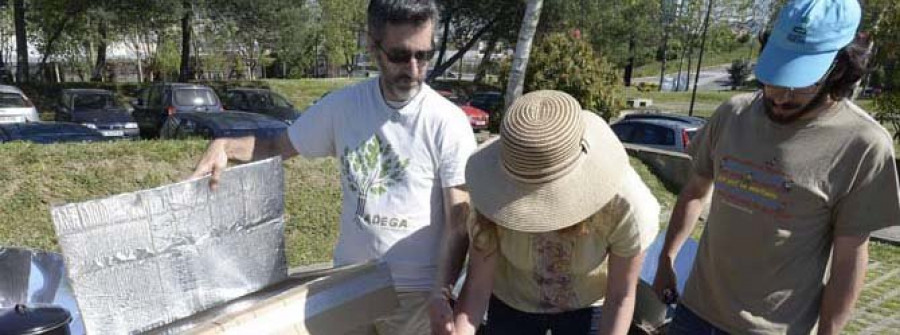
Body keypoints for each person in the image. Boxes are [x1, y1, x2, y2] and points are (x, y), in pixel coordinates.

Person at [191, 1, 477, 334]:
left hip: (416, 297)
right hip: (351, 286)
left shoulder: (448, 122)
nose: (413, 69)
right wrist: (226, 145)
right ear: (373, 45)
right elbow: (278, 146)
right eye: (400, 55)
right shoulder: (343, 107)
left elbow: (458, 222)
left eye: (423, 55)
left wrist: (440, 296)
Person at [652, 0, 900, 334]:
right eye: (775, 77)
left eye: (802, 82)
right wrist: (667, 258)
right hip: (694, 314)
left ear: (840, 69)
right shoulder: (732, 114)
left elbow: (849, 260)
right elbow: (695, 192)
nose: (780, 96)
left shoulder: (864, 145)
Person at [444, 90, 659, 335]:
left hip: (588, 305)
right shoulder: (488, 196)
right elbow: (477, 287)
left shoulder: (626, 205)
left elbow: (620, 296)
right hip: (511, 303)